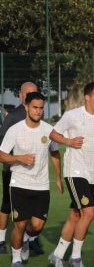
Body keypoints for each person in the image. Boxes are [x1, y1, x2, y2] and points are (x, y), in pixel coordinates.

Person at [48, 82, 94, 267]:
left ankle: (57, 254)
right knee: (89, 213)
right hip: (75, 171)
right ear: (87, 97)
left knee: (76, 215)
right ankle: (76, 258)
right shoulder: (73, 116)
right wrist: (69, 141)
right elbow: (53, 133)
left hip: (92, 174)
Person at [0, 92, 62, 267]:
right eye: (35, 107)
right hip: (19, 184)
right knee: (19, 225)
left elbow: (55, 153)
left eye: (41, 108)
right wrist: (19, 158)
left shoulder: (48, 130)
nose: (38, 111)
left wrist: (58, 178)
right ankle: (16, 259)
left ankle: (27, 238)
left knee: (37, 226)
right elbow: (2, 155)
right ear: (26, 107)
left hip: (41, 186)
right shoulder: (15, 129)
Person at [0, 82, 39, 256]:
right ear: (21, 96)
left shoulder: (38, 115)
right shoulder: (13, 116)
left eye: (35, 93)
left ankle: (30, 240)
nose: (31, 96)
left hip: (34, 170)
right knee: (8, 204)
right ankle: (1, 240)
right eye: (28, 93)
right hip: (12, 170)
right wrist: (18, 157)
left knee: (32, 206)